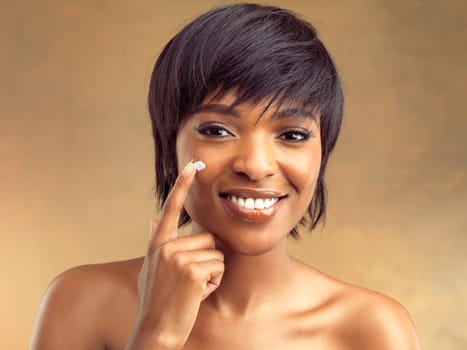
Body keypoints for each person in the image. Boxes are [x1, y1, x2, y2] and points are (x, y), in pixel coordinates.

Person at [30, 3, 421, 349]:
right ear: (171, 143)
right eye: (217, 131)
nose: (255, 165)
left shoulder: (369, 330)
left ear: (322, 155)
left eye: (292, 135)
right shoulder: (82, 303)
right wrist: (156, 336)